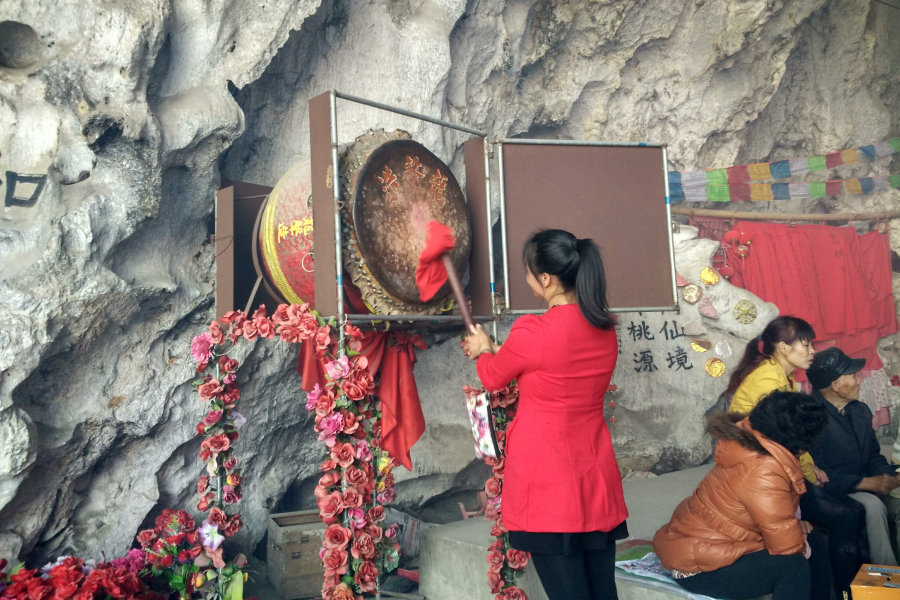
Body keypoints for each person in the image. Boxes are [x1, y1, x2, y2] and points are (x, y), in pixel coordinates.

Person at [463, 229, 627, 600]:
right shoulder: (604, 329)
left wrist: (484, 350)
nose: (527, 279)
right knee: (603, 593)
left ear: (546, 279)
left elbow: (492, 376)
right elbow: (554, 364)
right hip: (594, 477)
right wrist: (498, 348)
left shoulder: (533, 331)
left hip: (547, 484)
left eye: (528, 273)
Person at [726, 316, 869, 597]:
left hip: (772, 465)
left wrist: (808, 464)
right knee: (846, 514)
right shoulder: (771, 382)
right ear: (783, 347)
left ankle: (855, 587)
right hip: (759, 475)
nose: (812, 351)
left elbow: (789, 439)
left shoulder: (780, 375)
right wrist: (806, 473)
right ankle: (846, 590)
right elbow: (784, 442)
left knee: (852, 510)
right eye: (806, 345)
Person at [654, 392, 832, 600]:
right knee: (793, 566)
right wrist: (793, 533)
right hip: (700, 567)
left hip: (710, 545)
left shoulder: (749, 443)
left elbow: (773, 521)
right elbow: (786, 546)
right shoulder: (765, 468)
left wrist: (793, 528)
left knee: (814, 539)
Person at [806, 346, 900, 566]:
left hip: (868, 483)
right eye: (852, 376)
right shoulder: (810, 418)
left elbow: (873, 456)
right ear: (835, 385)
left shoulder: (859, 411)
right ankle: (886, 578)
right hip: (832, 493)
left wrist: (886, 479)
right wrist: (866, 483)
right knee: (872, 506)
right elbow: (817, 474)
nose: (859, 381)